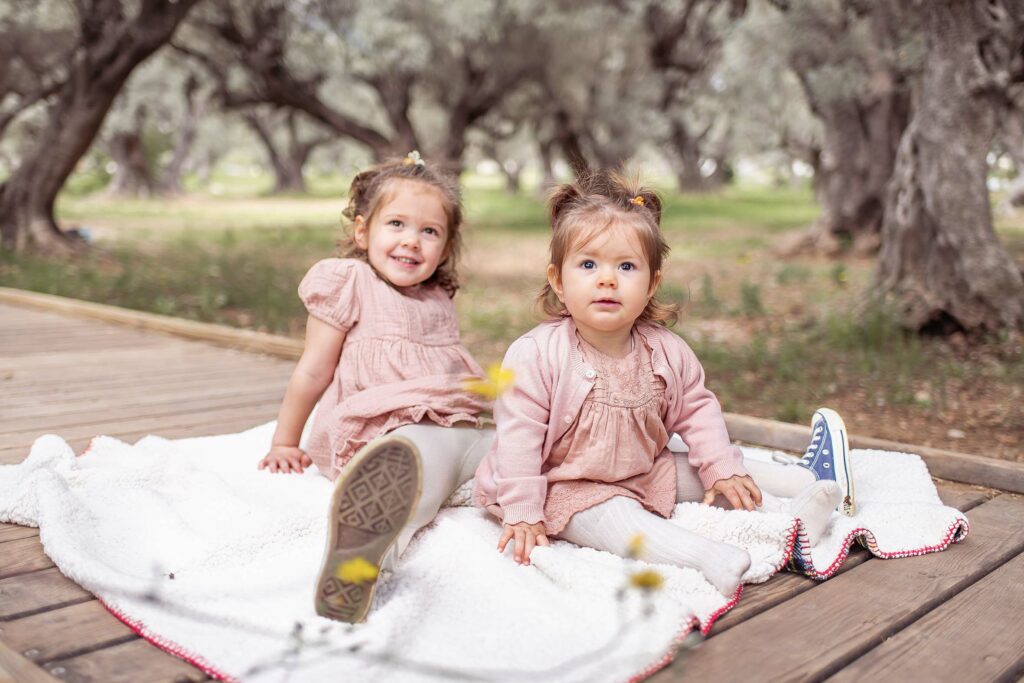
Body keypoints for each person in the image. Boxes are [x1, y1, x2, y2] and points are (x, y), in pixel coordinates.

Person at [473, 170, 855, 597]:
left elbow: (696, 409)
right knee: (617, 518)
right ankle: (709, 556)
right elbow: (518, 438)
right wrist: (523, 509)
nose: (607, 279)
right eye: (588, 264)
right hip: (564, 485)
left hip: (642, 468)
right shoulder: (537, 354)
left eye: (626, 266)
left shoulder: (665, 351)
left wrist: (720, 467)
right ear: (558, 281)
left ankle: (804, 492)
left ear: (652, 282)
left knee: (713, 470)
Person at [258, 152, 494, 623]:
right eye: (397, 224)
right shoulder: (348, 281)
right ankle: (363, 561)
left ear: (446, 247)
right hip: (380, 430)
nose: (412, 241)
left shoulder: (436, 297)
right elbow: (312, 371)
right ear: (363, 231)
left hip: (449, 417)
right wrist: (286, 441)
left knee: (513, 440)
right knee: (418, 465)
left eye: (430, 231)